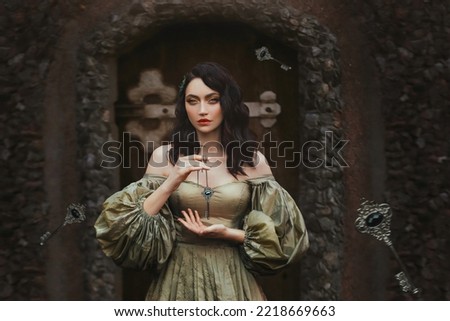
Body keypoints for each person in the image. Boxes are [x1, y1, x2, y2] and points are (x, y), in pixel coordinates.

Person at [94, 62, 309, 300]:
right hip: (176, 281)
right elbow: (125, 227)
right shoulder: (164, 157)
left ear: (227, 104)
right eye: (192, 101)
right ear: (184, 106)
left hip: (233, 281)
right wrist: (170, 183)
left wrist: (228, 234)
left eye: (212, 100)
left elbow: (287, 240)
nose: (202, 110)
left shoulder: (253, 161)